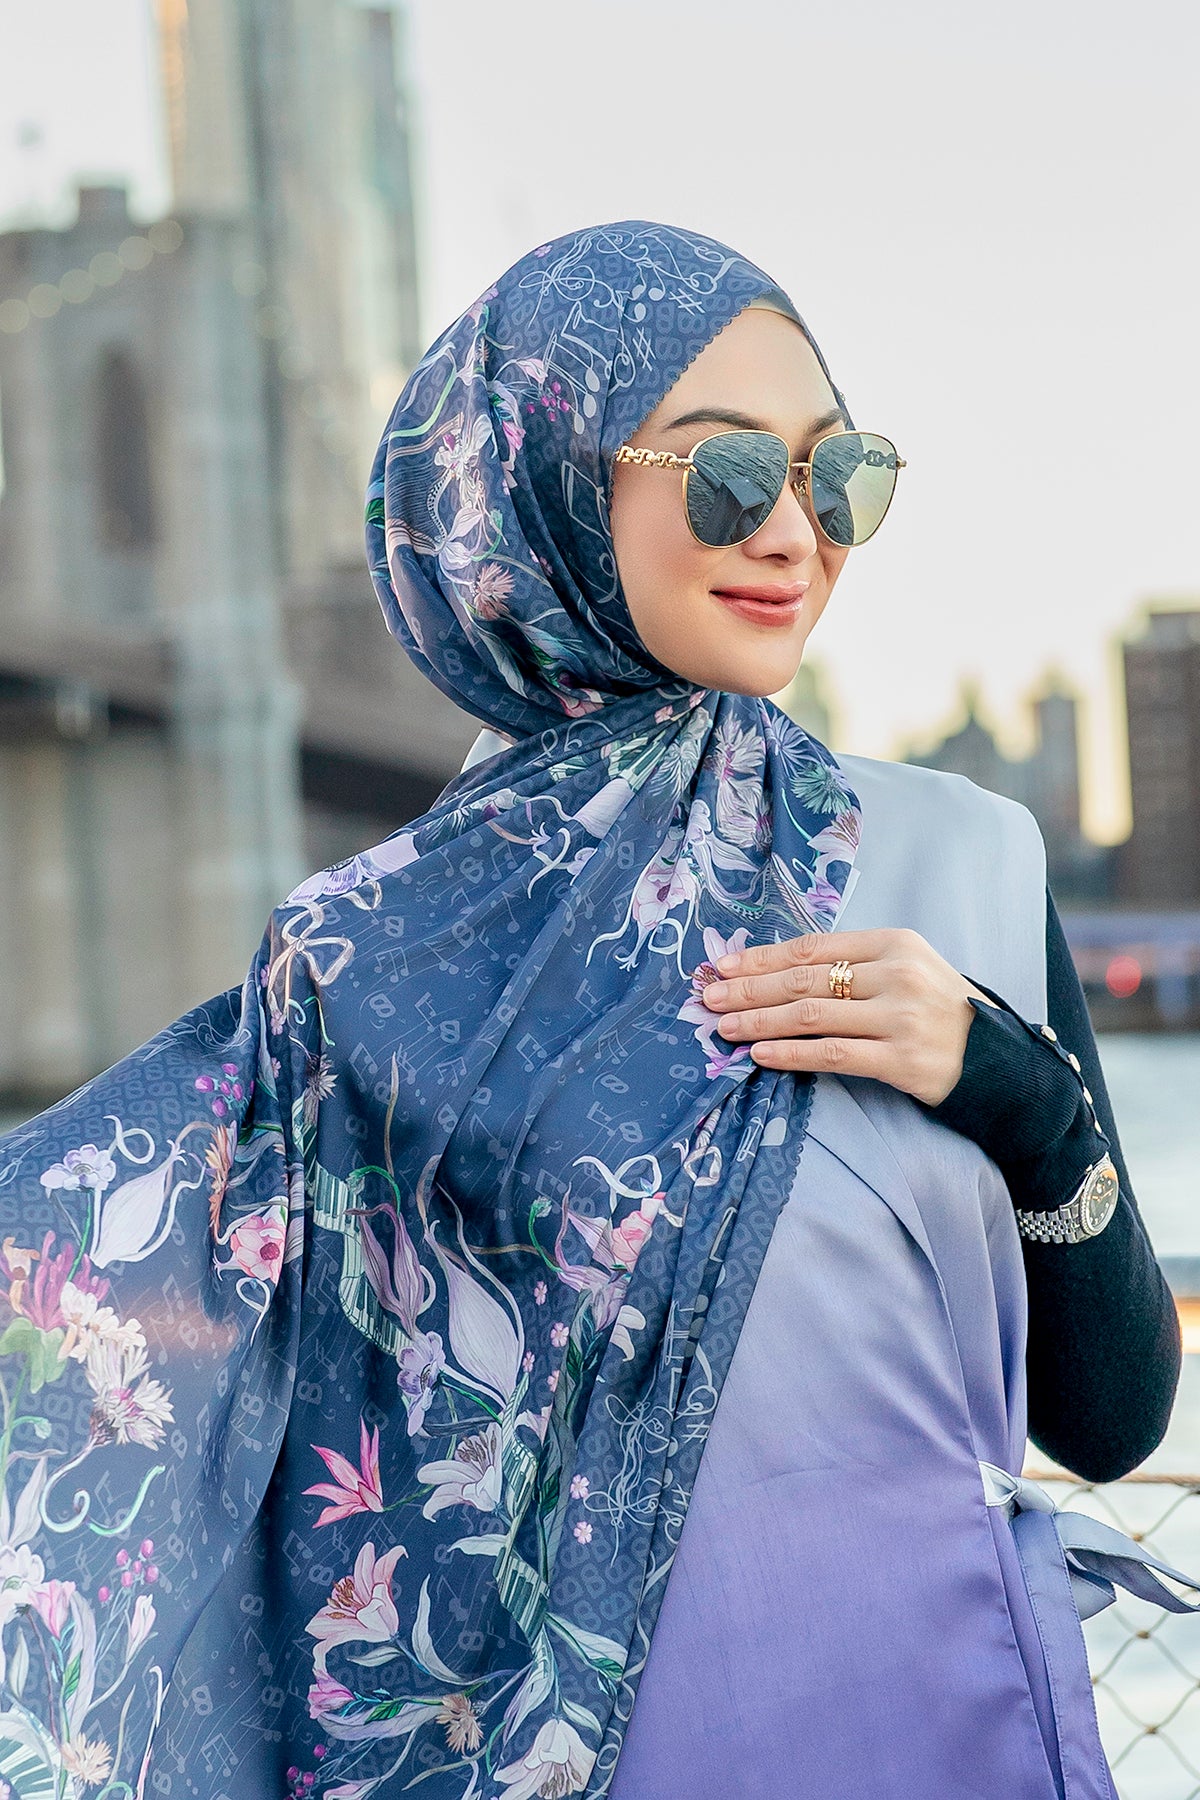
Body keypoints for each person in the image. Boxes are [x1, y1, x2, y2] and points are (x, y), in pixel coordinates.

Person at [0, 221, 1192, 1800]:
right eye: (727, 476)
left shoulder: (965, 860)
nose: (795, 535)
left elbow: (1115, 1425)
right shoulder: (370, 965)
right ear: (542, 483)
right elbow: (160, 1401)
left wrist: (1022, 1099)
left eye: (838, 477)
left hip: (955, 1722)